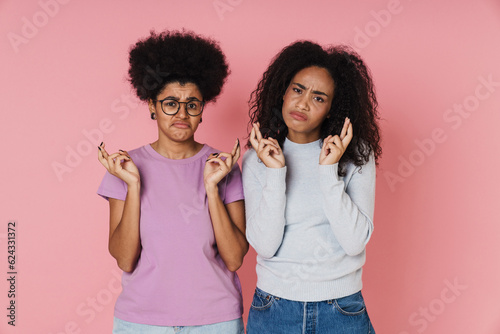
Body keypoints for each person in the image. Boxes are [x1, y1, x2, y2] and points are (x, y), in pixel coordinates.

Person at [97, 30, 247, 334]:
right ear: (152, 105)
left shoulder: (224, 167)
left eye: (192, 104)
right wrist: (134, 186)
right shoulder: (125, 167)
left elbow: (234, 259)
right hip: (141, 321)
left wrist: (212, 189)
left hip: (215, 320)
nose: (182, 113)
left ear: (202, 110)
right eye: (170, 103)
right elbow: (125, 259)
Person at [242, 41, 382, 333]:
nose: (303, 103)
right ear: (282, 91)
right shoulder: (258, 160)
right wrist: (276, 173)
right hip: (274, 308)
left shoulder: (356, 155)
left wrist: (329, 171)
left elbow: (354, 242)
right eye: (297, 89)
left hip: (341, 309)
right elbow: (265, 245)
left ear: (333, 108)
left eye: (319, 98)